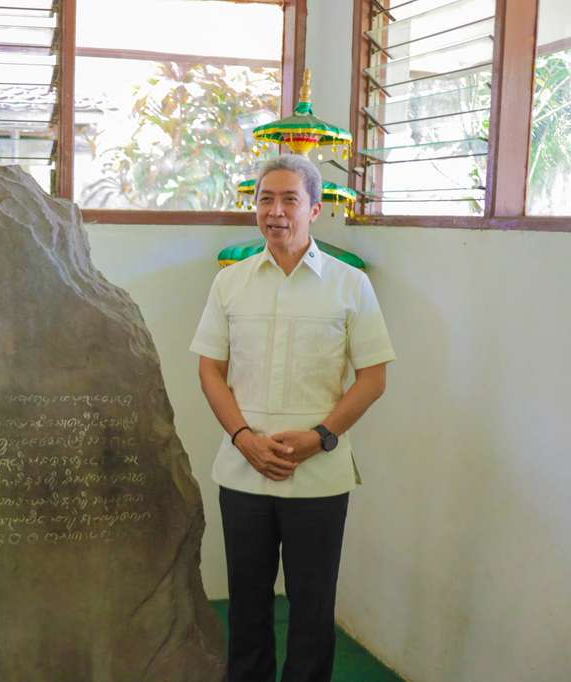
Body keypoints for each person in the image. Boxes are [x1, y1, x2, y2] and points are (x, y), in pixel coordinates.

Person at [190, 154, 395, 682]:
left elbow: (373, 378)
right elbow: (210, 370)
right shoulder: (230, 283)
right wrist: (243, 438)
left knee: (311, 607)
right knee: (247, 606)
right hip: (243, 471)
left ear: (315, 209)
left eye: (289, 200)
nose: (275, 211)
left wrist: (320, 437)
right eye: (265, 199)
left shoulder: (350, 285)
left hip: (318, 474)